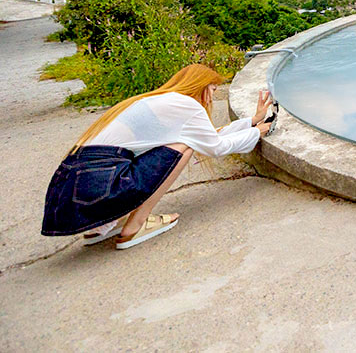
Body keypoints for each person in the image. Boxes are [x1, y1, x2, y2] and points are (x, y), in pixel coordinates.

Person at [41, 64, 274, 250]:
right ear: (202, 87)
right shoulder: (187, 105)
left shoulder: (162, 100)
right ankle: (135, 225)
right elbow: (214, 147)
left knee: (184, 143)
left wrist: (251, 122)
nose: (212, 98)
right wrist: (258, 132)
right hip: (96, 188)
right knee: (184, 147)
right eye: (213, 90)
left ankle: (105, 223)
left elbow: (205, 137)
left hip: (72, 191)